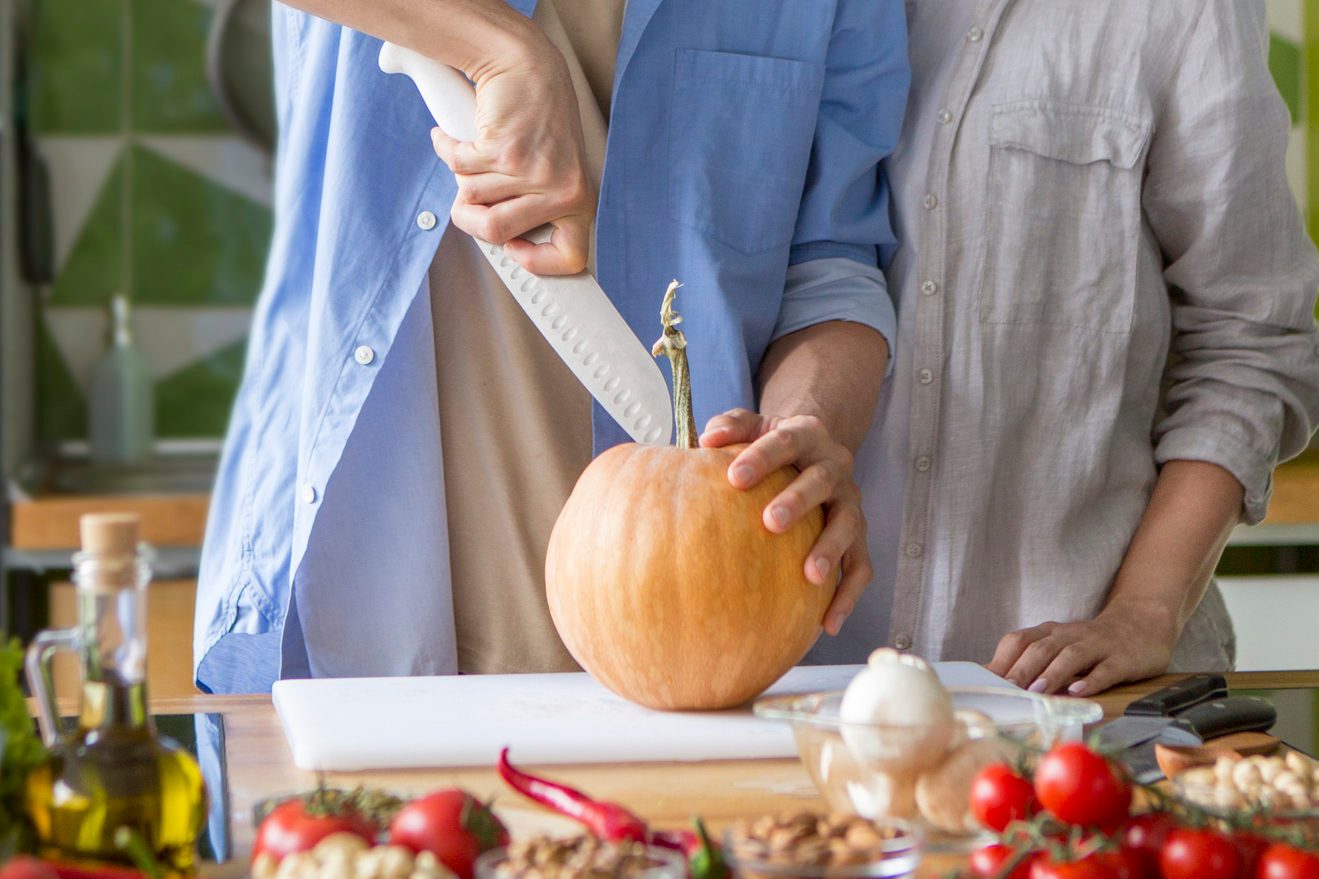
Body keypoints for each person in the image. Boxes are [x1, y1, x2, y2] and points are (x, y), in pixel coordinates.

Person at [193, 0, 911, 689]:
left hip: (708, 630)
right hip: (367, 629)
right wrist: (499, 47)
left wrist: (803, 427)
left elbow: (830, 267)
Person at [819, 0, 1319, 694]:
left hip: (1086, 700)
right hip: (808, 690)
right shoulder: (801, 15)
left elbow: (1252, 341)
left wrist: (1143, 609)